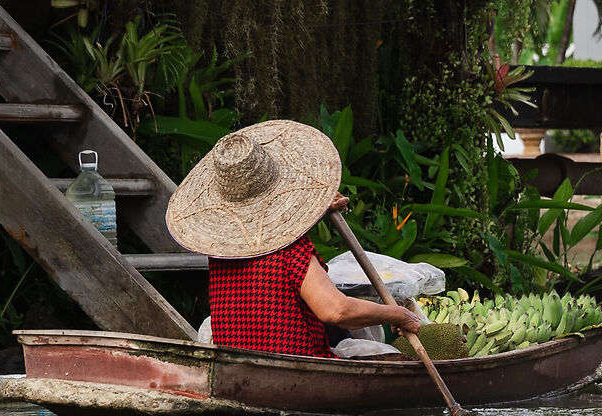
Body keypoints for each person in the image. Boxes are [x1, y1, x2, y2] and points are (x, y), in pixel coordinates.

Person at [163, 119, 425, 358]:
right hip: (297, 364)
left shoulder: (223, 251)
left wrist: (318, 207)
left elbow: (265, 254)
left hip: (236, 365)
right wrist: (398, 314)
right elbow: (335, 310)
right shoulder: (292, 251)